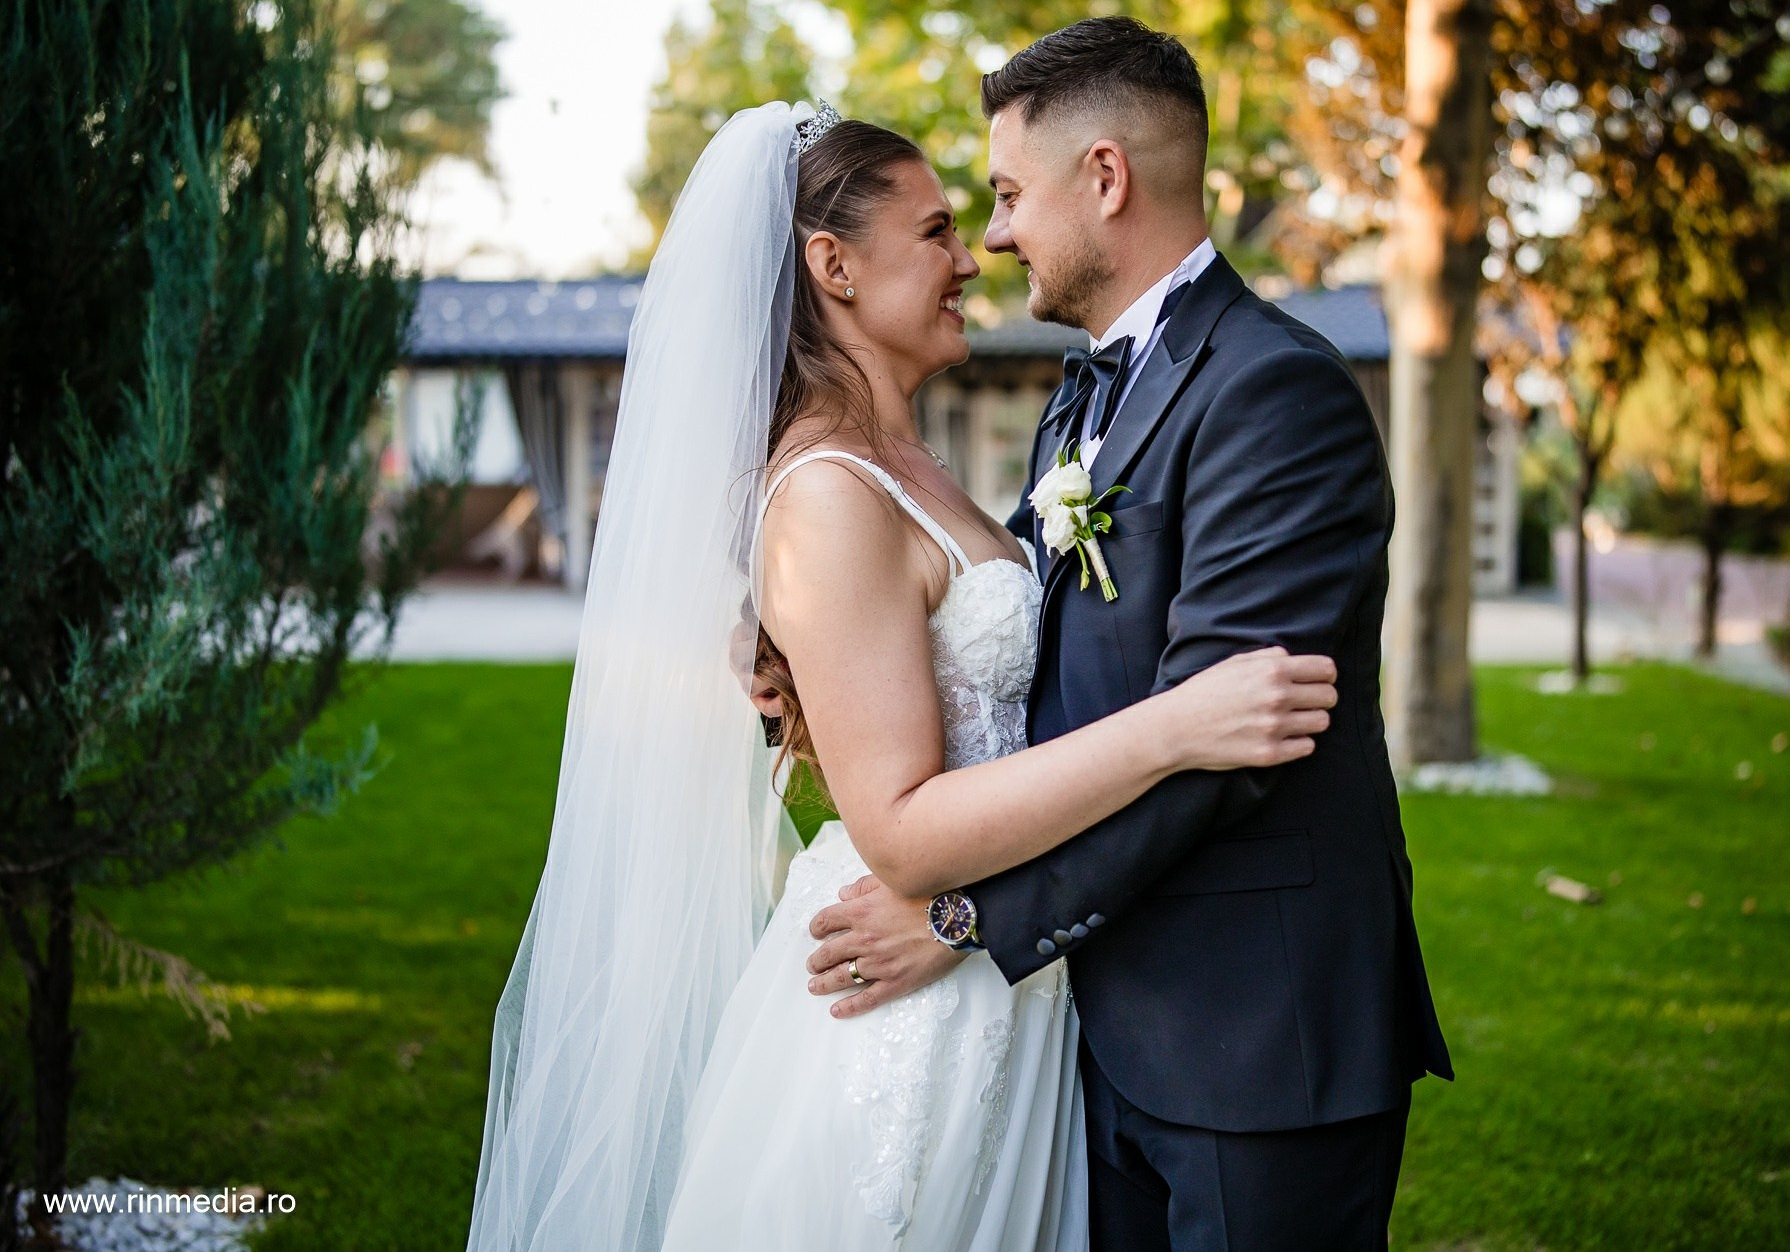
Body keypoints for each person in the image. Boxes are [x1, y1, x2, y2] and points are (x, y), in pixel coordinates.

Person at [464, 99, 1336, 1251]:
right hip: (903, 998)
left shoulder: (913, 464)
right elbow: (905, 835)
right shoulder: (827, 492)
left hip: (1007, 976)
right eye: (933, 230)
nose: (970, 253)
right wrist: (1177, 727)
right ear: (832, 265)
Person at [806, 17, 1455, 1251]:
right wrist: (805, 637)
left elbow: (1228, 746)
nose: (992, 237)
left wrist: (964, 917)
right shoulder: (1081, 395)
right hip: (1101, 1017)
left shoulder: (1274, 392)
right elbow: (992, 601)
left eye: (1003, 194)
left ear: (1103, 178)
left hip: (1256, 1035)